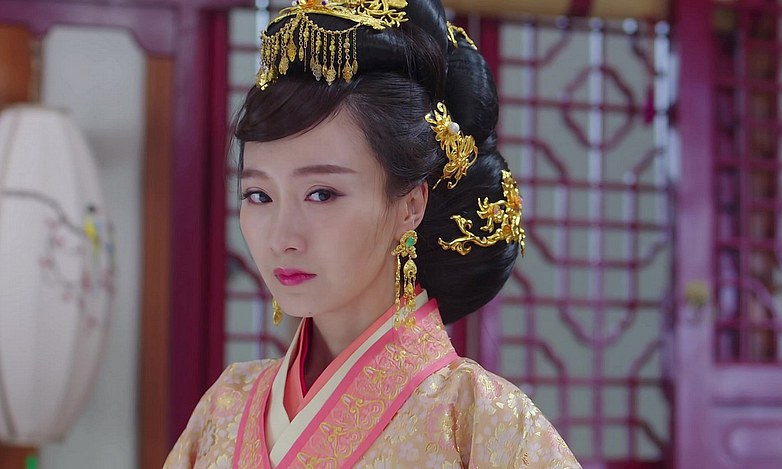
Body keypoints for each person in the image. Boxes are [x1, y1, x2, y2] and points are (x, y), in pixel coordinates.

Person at [164, 0, 580, 467]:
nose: (282, 237)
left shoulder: (482, 421)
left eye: (321, 194)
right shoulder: (225, 408)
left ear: (410, 205)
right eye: (259, 195)